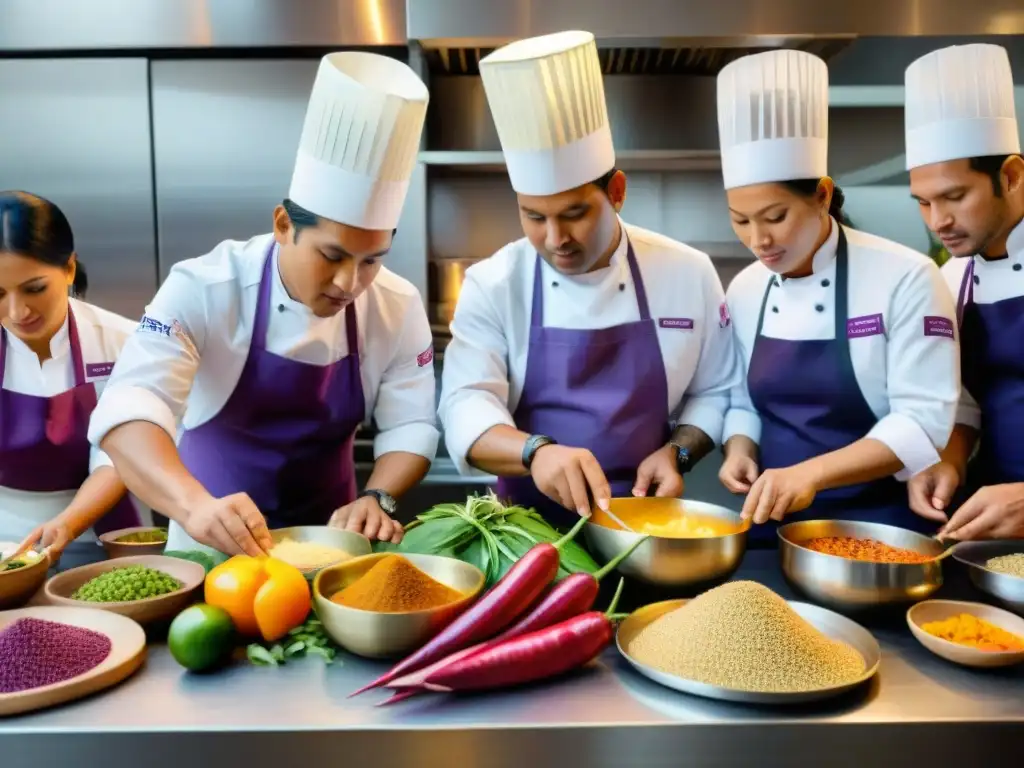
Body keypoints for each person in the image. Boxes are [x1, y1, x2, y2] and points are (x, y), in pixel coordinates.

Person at [88, 52, 438, 557]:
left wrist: (377, 495)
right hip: (209, 545)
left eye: (371, 261)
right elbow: (130, 408)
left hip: (332, 551)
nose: (349, 282)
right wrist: (192, 507)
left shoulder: (396, 305)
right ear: (282, 224)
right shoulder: (204, 287)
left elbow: (411, 423)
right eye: (332, 255)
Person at [437, 31, 740, 527]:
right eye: (534, 217)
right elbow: (465, 403)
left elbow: (717, 390)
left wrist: (678, 454)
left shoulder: (687, 271)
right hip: (525, 533)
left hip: (645, 525)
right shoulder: (494, 282)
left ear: (616, 191)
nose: (556, 238)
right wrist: (536, 452)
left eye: (575, 213)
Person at [715, 50, 961, 543]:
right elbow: (742, 399)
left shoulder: (905, 276)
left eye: (775, 216)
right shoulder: (746, 288)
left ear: (822, 195)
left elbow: (923, 422)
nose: (758, 240)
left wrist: (811, 474)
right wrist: (739, 449)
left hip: (880, 526)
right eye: (741, 221)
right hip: (771, 523)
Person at [904, 44, 1024, 541]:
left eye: (955, 197)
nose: (938, 222)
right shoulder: (953, 278)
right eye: (923, 203)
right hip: (990, 523)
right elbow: (970, 400)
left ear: (1011, 176)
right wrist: (950, 459)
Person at [0, 191, 145, 568]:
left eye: (34, 288)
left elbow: (120, 454)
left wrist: (69, 522)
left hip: (109, 533)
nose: (18, 312)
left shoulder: (124, 341)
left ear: (68, 268)